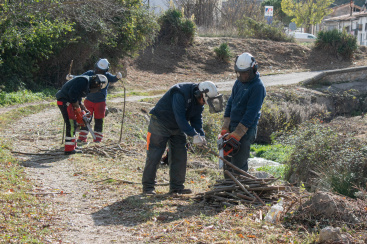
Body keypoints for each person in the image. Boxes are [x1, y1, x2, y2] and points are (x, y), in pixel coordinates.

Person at [142, 81, 219, 195]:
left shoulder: (199, 102)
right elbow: (180, 117)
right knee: (154, 155)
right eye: (204, 101)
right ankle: (148, 187)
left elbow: (196, 119)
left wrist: (200, 135)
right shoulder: (180, 93)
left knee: (180, 155)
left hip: (178, 127)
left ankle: (177, 188)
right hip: (161, 122)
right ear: (199, 94)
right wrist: (193, 135)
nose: (205, 104)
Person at [220, 52, 266, 177]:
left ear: (253, 69)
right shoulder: (238, 82)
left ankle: (239, 191)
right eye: (240, 72)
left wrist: (238, 133)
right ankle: (228, 189)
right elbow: (230, 103)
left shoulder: (258, 87)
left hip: (246, 129)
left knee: (238, 165)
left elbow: (251, 113)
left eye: (245, 73)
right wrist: (226, 125)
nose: (242, 75)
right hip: (232, 126)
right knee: (227, 162)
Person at [66, 58, 124, 143]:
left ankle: (97, 138)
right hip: (88, 101)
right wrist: (72, 77)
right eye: (98, 69)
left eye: (101, 70)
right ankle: (82, 138)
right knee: (85, 119)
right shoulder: (90, 73)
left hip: (100, 102)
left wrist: (117, 77)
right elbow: (80, 78)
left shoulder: (107, 75)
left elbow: (113, 78)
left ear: (105, 70)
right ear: (96, 67)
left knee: (99, 120)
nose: (99, 71)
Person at [56, 74, 108, 154]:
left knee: (73, 124)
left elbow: (78, 97)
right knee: (71, 124)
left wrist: (83, 108)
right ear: (96, 82)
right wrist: (78, 110)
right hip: (65, 101)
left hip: (69, 101)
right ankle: (69, 149)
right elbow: (72, 95)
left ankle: (73, 146)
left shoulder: (86, 83)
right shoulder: (83, 81)